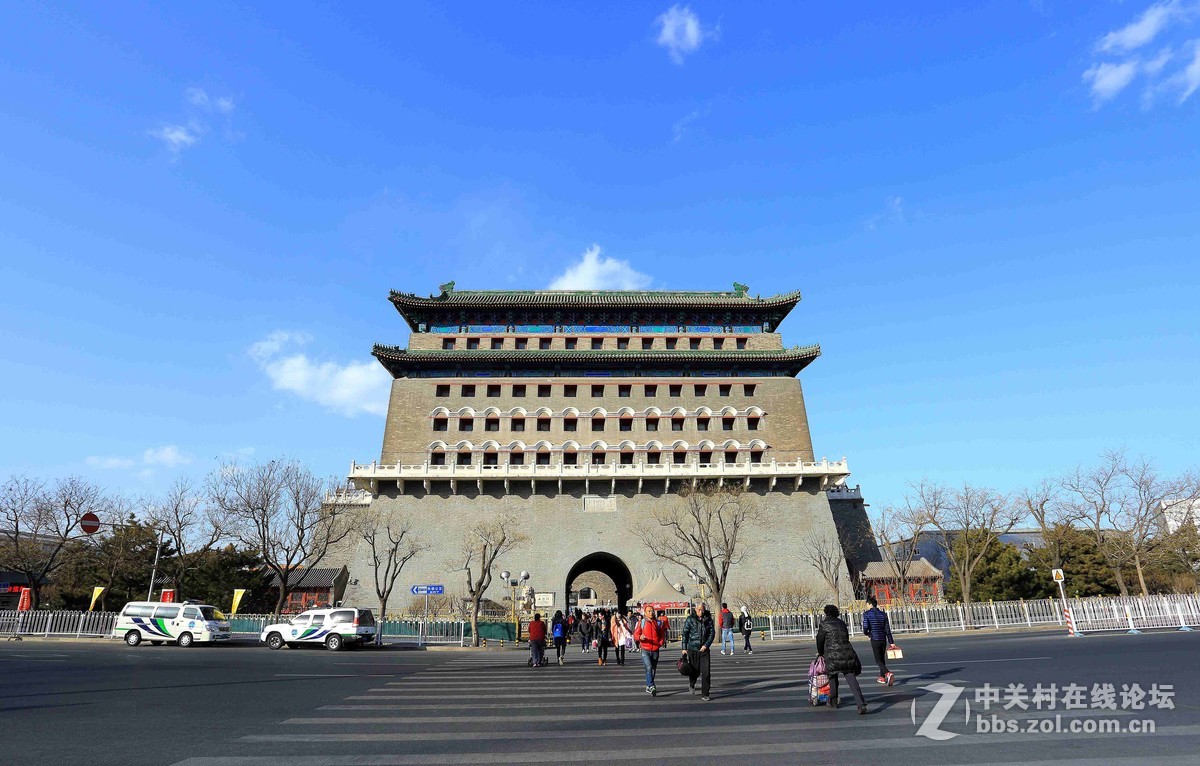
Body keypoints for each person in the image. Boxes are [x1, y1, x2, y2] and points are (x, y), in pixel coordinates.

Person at [815, 604, 867, 714]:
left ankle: (833, 701)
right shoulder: (842, 623)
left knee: (833, 677)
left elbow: (820, 640)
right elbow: (845, 637)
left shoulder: (824, 624)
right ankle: (861, 704)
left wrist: (820, 652)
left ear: (826, 613)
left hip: (832, 655)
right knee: (852, 679)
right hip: (847, 652)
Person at [681, 601, 715, 700]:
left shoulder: (708, 619)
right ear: (695, 609)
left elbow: (712, 633)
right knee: (694, 671)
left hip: (704, 650)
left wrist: (706, 645)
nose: (701, 611)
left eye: (702, 609)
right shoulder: (690, 619)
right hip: (693, 649)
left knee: (706, 672)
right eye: (699, 609)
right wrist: (684, 648)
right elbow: (685, 634)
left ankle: (705, 693)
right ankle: (692, 684)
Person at [861, 596, 896, 686]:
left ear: (870, 604)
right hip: (883, 639)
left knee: (878, 660)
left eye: (867, 604)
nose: (866, 606)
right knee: (881, 658)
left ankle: (888, 673)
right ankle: (882, 677)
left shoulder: (867, 614)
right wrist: (891, 642)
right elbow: (887, 629)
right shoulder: (883, 614)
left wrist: (867, 633)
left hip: (875, 638)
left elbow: (865, 627)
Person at [633, 603, 666, 695]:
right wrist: (640, 637)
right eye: (649, 611)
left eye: (652, 611)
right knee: (649, 667)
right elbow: (635, 634)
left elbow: (662, 635)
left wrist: (660, 643)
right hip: (645, 649)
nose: (651, 613)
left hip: (655, 649)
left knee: (653, 669)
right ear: (645, 613)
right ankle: (651, 685)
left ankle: (648, 685)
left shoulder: (658, 623)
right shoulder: (642, 623)